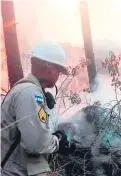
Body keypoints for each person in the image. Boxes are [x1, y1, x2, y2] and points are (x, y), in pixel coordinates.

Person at [1, 42, 74, 176]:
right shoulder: (31, 94)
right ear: (49, 67)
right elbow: (35, 144)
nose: (58, 75)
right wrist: (57, 141)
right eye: (59, 70)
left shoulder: (26, 90)